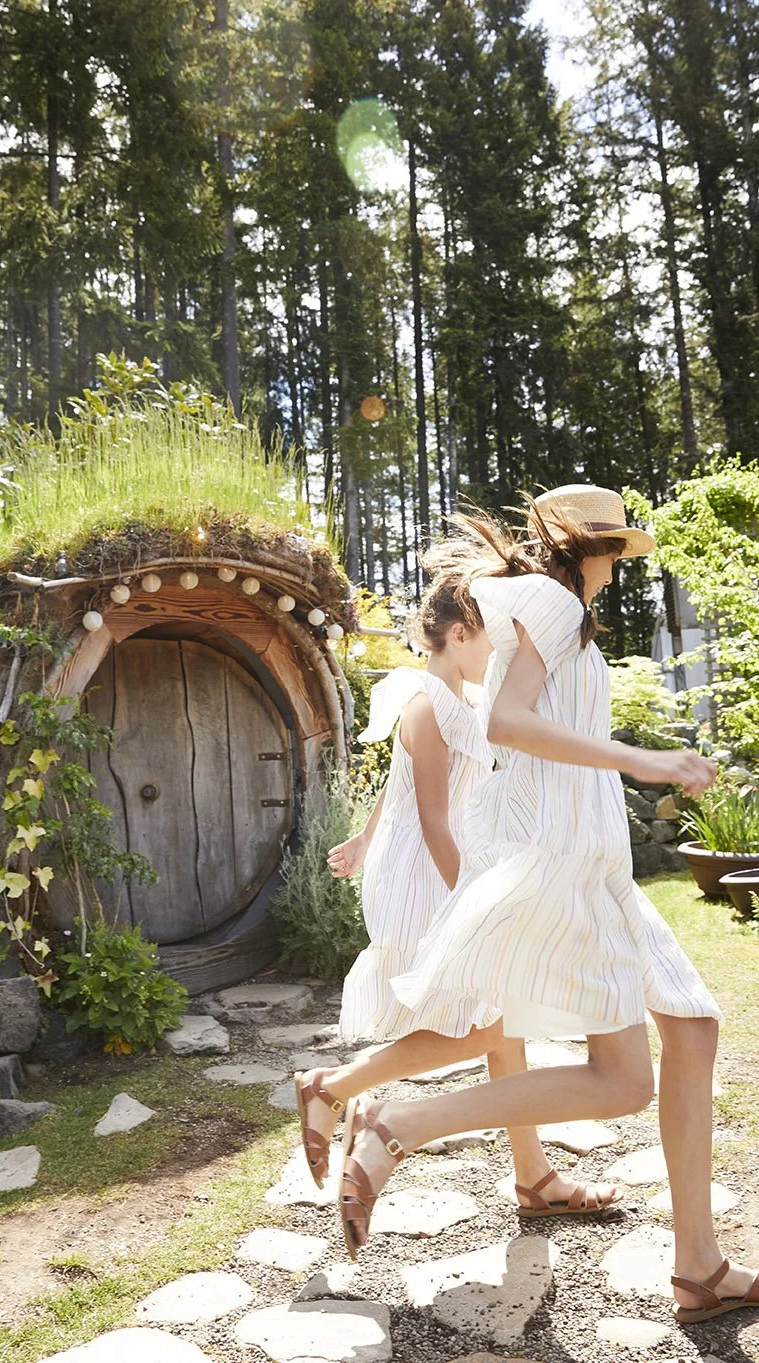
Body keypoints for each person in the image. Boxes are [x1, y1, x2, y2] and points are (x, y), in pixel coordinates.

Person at [337, 485, 758, 1324]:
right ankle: (396, 1121)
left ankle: (698, 1263)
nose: (618, 571)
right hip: (572, 862)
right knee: (620, 1081)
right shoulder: (554, 604)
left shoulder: (540, 607)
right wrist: (640, 757)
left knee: (692, 1028)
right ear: (593, 549)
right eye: (616, 554)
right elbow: (506, 722)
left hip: (588, 861)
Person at [295, 548, 620, 1254]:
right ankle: (335, 1085)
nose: (497, 652)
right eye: (488, 637)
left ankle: (532, 1175)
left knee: (500, 1024)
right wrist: (467, 904)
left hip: (438, 865)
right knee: (484, 1027)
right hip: (426, 876)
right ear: (460, 633)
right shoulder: (425, 701)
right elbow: (435, 816)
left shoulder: (455, 702)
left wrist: (360, 835)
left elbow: (399, 786)